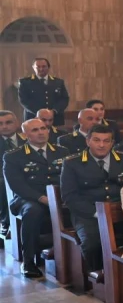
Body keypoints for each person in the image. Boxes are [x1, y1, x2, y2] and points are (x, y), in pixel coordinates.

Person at [60, 124, 123, 273]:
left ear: (112, 143)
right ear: (88, 141)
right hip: (88, 214)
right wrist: (96, 213)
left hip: (122, 211)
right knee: (92, 243)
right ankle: (99, 275)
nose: (101, 145)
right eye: (96, 140)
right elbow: (69, 196)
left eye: (106, 141)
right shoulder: (72, 163)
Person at [4, 118, 65, 279]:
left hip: (59, 196)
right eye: (35, 130)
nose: (41, 132)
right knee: (33, 211)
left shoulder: (62, 151)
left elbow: (69, 178)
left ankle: (72, 254)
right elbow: (17, 185)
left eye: (43, 128)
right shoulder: (14, 156)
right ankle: (29, 261)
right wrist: (41, 197)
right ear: (25, 135)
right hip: (28, 198)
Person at [17, 57, 68, 125]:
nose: (41, 69)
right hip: (33, 117)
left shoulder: (58, 82)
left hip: (55, 118)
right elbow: (24, 100)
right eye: (38, 67)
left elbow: (64, 99)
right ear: (33, 68)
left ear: (48, 67)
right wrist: (41, 113)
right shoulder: (25, 82)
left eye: (44, 66)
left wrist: (54, 111)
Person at [0, 110, 22, 238]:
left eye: (8, 122)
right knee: (4, 184)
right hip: (2, 178)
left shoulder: (27, 139)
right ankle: (6, 222)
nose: (4, 126)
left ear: (17, 123)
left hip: (27, 176)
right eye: (0, 123)